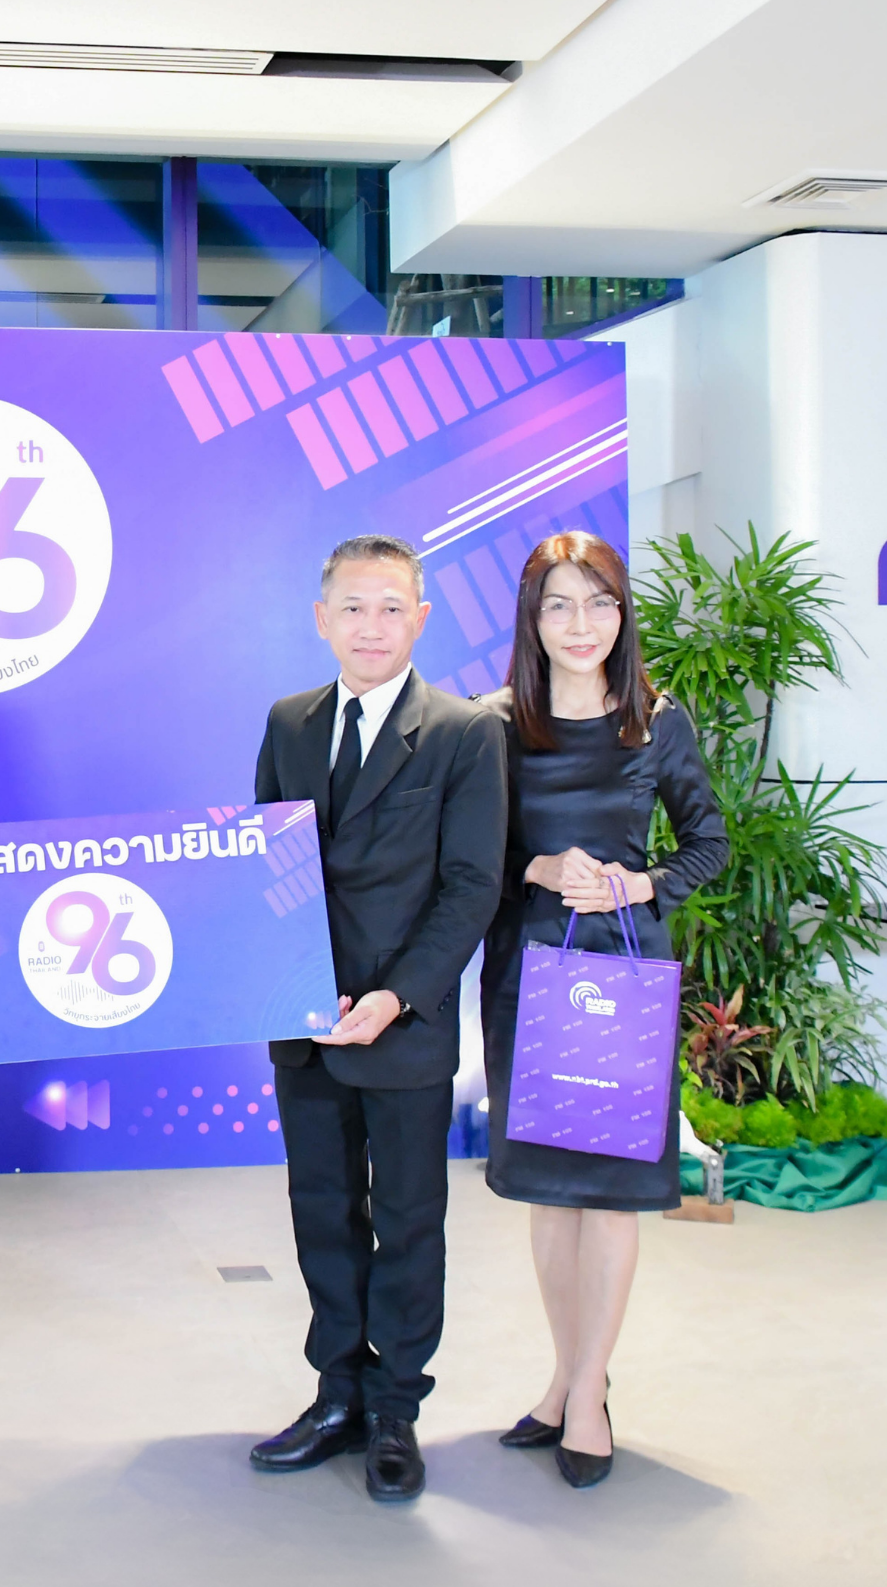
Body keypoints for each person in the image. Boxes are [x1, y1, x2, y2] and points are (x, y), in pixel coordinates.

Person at [248, 534, 507, 1503]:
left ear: (422, 619)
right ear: (322, 619)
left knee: (408, 1219)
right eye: (353, 607)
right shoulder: (288, 723)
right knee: (321, 1209)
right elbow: (264, 866)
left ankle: (396, 1405)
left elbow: (471, 885)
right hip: (306, 1023)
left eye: (391, 607)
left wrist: (393, 996)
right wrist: (293, 990)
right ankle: (337, 1393)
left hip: (405, 1023)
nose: (371, 625)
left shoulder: (464, 733)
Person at [478, 530, 728, 1489]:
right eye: (559, 605)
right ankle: (564, 1375)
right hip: (531, 973)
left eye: (599, 602)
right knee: (551, 1193)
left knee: (614, 1192)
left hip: (623, 977)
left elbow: (708, 843)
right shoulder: (495, 724)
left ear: (622, 614)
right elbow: (474, 861)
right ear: (532, 620)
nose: (581, 624)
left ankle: (588, 1396)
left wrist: (639, 882)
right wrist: (538, 866)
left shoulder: (656, 721)